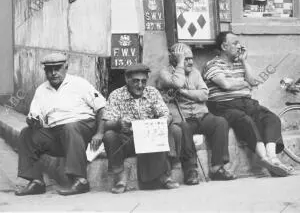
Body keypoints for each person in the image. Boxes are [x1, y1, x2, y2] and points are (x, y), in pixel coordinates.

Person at [202, 31, 293, 177]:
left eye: (239, 43)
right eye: (235, 43)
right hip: (224, 105)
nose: (239, 46)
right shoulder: (212, 65)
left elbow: (252, 81)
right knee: (246, 121)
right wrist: (244, 84)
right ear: (224, 46)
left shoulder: (239, 63)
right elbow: (225, 84)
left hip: (246, 102)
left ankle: (273, 159)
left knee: (271, 118)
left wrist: (244, 61)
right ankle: (264, 158)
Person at [15, 53, 106, 196]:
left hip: (82, 127)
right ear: (45, 71)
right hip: (56, 133)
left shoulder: (79, 83)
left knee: (69, 127)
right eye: (49, 70)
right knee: (27, 133)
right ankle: (36, 182)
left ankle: (80, 180)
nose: (53, 73)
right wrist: (33, 120)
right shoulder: (41, 90)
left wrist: (100, 132)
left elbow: (102, 108)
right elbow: (35, 114)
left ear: (66, 67)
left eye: (57, 68)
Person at [156, 43, 236, 184]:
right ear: (174, 59)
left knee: (220, 122)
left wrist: (185, 93)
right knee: (184, 128)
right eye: (185, 59)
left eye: (191, 58)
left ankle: (217, 167)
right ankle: (190, 170)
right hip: (183, 117)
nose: (191, 62)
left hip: (201, 115)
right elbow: (178, 83)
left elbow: (204, 95)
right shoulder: (165, 73)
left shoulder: (195, 73)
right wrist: (180, 65)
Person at [102, 63, 181, 194]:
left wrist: (162, 122)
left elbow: (166, 114)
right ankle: (120, 176)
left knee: (174, 129)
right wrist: (118, 124)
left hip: (150, 138)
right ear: (127, 79)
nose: (140, 85)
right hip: (128, 140)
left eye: (143, 81)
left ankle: (165, 175)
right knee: (109, 135)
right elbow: (106, 123)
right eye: (135, 81)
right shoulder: (116, 95)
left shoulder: (152, 92)